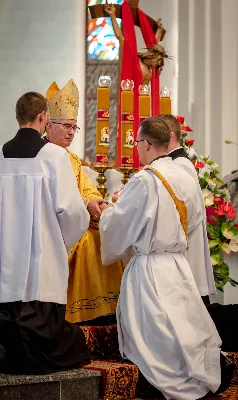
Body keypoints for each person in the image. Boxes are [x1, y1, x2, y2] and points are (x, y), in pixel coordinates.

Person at [99, 117, 234, 400]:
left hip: (149, 268)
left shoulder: (145, 180)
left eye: (137, 143)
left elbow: (121, 225)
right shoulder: (186, 176)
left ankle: (170, 379)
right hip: (177, 265)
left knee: (154, 333)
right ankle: (200, 370)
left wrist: (109, 209)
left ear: (147, 144)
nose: (136, 149)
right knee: (181, 324)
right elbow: (195, 220)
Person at [0, 92, 90, 374]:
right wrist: (60, 243)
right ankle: (6, 330)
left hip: (3, 270)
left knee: (10, 313)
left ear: (17, 117)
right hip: (41, 271)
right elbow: (73, 213)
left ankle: (0, 325)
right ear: (43, 118)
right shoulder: (54, 156)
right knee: (70, 345)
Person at [45, 79, 124, 324]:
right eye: (66, 126)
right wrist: (83, 204)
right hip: (55, 226)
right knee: (90, 241)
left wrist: (95, 202)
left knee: (105, 234)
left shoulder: (72, 158)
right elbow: (52, 196)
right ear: (48, 125)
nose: (71, 132)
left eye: (74, 127)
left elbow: (87, 189)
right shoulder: (42, 157)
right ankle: (84, 313)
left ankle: (108, 310)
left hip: (78, 218)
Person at [160, 114, 215, 306]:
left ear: (172, 136)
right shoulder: (175, 164)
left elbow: (183, 214)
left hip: (185, 249)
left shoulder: (180, 165)